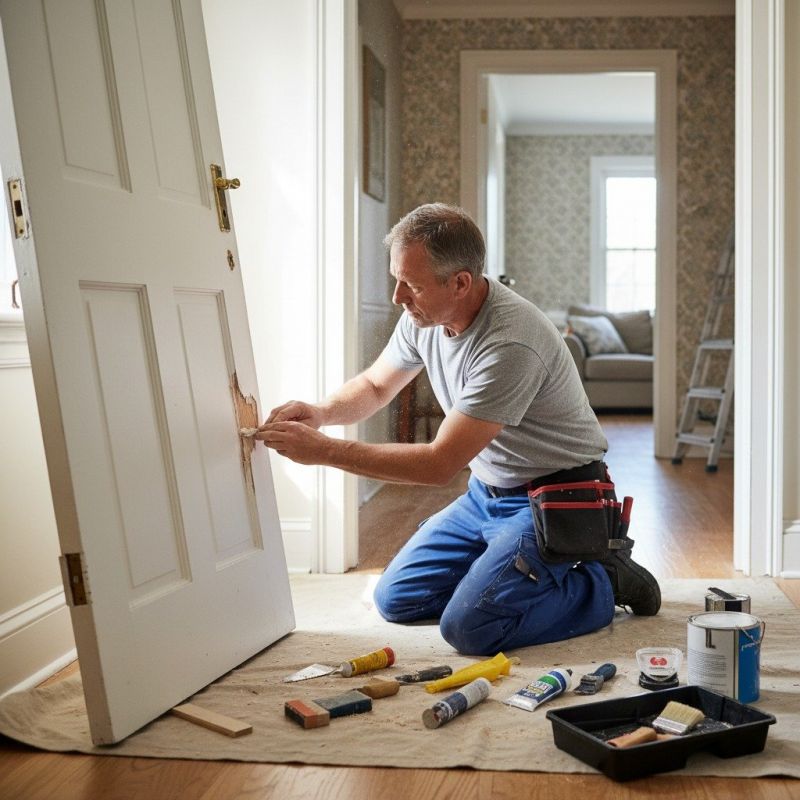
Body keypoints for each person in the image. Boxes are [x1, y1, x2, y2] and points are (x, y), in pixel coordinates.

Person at [257, 203, 660, 656]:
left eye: (410, 285)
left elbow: (438, 464)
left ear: (460, 282)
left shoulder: (511, 341)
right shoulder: (423, 318)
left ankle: (603, 579)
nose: (397, 298)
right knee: (395, 600)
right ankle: (509, 571)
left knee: (469, 630)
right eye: (397, 279)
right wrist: (319, 412)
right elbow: (374, 385)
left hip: (554, 497)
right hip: (486, 494)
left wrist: (324, 452)